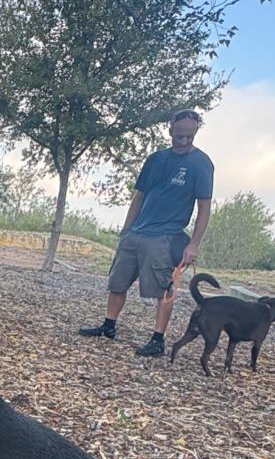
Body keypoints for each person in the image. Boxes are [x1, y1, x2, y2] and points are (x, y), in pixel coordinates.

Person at [79, 109, 213, 357]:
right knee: (117, 282)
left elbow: (204, 206)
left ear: (195, 133)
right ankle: (108, 326)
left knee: (164, 288)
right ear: (170, 128)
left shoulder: (201, 163)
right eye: (179, 135)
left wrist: (193, 245)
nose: (182, 141)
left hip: (166, 236)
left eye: (189, 137)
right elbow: (138, 196)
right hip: (137, 231)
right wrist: (126, 230)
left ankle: (157, 339)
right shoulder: (155, 159)